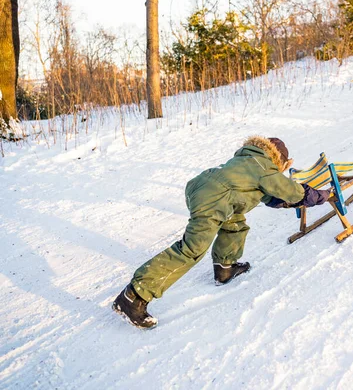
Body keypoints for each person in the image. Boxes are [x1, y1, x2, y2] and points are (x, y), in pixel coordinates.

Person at [112, 136, 331, 329]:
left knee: (234, 222)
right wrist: (320, 196)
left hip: (208, 189)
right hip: (214, 197)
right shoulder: (264, 166)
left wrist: (288, 201)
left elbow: (270, 196)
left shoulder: (247, 160)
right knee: (192, 249)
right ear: (278, 159)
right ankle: (133, 296)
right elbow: (291, 191)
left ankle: (225, 267)